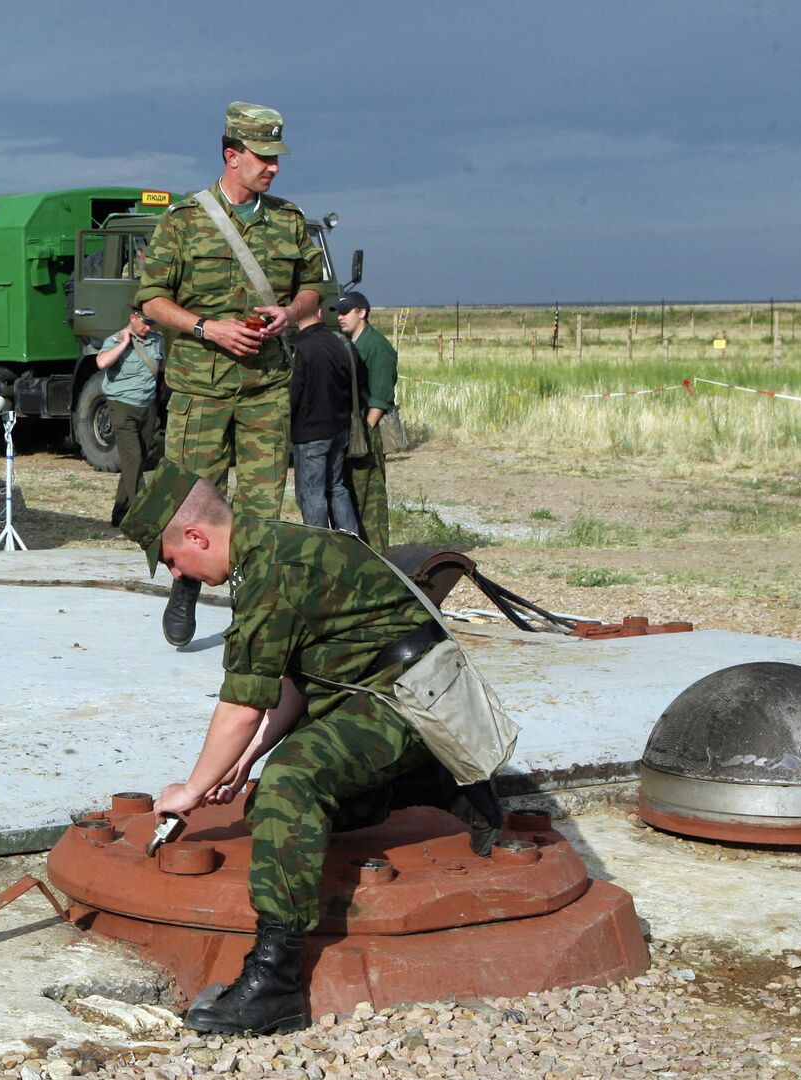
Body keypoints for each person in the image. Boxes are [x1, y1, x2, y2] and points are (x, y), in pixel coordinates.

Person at [117, 460, 502, 1036]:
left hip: (413, 702)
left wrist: (192, 789)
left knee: (292, 785)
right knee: (267, 800)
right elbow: (295, 680)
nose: (178, 573)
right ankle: (431, 783)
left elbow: (242, 704)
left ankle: (274, 982)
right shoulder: (270, 551)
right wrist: (246, 757)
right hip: (375, 693)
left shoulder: (270, 573)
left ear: (196, 536)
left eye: (174, 561)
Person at [136, 102, 327, 647]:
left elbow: (313, 286)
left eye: (276, 157)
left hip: (265, 388)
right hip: (201, 390)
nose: (273, 167)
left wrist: (290, 313)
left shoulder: (289, 221)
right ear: (231, 155)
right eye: (263, 157)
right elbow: (150, 299)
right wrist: (205, 328)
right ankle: (185, 587)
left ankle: (253, 608)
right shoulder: (183, 221)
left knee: (262, 504)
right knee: (193, 497)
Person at [287, 302, 361, 533]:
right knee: (336, 487)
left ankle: (319, 549)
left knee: (312, 494)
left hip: (310, 432)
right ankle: (352, 544)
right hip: (340, 427)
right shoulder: (340, 342)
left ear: (295, 317)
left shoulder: (302, 347)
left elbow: (293, 393)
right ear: (319, 312)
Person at [335, 291, 397, 553]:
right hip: (353, 428)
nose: (340, 317)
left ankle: (378, 556)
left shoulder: (377, 346)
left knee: (370, 498)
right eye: (338, 312)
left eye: (346, 311)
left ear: (362, 312)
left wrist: (366, 432)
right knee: (352, 493)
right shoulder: (353, 342)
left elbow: (379, 399)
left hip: (366, 430)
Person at [95, 306, 165, 525]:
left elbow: (161, 368)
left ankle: (120, 514)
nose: (147, 327)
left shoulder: (157, 339)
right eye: (144, 322)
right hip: (122, 407)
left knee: (136, 460)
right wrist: (125, 343)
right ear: (132, 318)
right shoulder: (115, 340)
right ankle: (142, 515)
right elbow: (101, 363)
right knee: (132, 456)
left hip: (147, 406)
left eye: (151, 324)